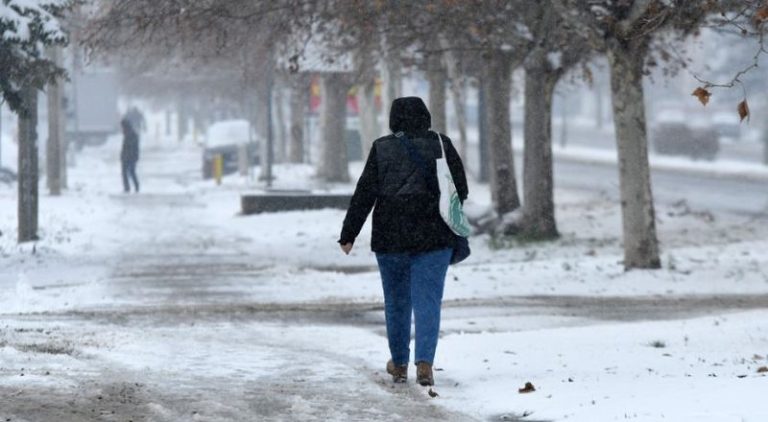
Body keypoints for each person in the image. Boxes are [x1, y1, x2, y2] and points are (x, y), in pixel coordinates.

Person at [339, 96, 468, 386]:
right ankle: (425, 363)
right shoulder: (441, 144)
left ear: (394, 119)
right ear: (426, 116)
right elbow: (461, 188)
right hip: (434, 238)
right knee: (428, 301)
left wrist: (349, 234)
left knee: (396, 302)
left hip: (391, 237)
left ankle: (398, 363)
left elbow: (364, 194)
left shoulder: (382, 148)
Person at [120, 118, 140, 193]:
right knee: (129, 172)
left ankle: (131, 187)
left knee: (129, 172)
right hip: (129, 157)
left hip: (130, 157)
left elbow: (130, 147)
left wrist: (126, 156)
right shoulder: (129, 133)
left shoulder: (130, 134)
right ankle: (132, 186)